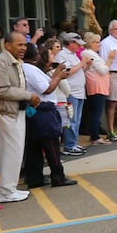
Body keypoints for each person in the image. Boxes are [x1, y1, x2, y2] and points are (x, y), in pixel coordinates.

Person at [0, 30, 40, 204]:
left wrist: (27, 97)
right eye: (19, 44)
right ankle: (5, 191)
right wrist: (28, 95)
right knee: (9, 152)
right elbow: (0, 90)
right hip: (5, 113)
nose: (23, 48)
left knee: (15, 152)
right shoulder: (0, 62)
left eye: (25, 44)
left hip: (17, 111)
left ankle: (8, 188)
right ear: (7, 45)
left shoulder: (16, 61)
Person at [21, 44, 77, 190]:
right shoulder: (30, 69)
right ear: (35, 56)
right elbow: (46, 89)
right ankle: (58, 177)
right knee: (51, 145)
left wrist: (54, 74)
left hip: (35, 110)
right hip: (43, 110)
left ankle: (35, 178)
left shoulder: (26, 68)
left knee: (34, 147)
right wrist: (58, 77)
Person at [55, 32, 88, 157]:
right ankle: (69, 145)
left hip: (80, 91)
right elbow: (67, 72)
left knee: (77, 120)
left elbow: (78, 70)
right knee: (71, 119)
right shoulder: (62, 55)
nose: (79, 47)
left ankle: (73, 142)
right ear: (70, 43)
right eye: (77, 44)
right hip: (71, 91)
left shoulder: (74, 55)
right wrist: (82, 63)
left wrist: (85, 66)